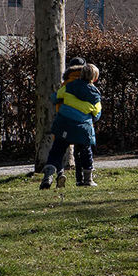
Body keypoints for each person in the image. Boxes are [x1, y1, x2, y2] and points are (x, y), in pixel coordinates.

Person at [40, 63, 102, 189]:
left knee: (57, 151)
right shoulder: (95, 95)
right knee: (86, 152)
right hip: (82, 128)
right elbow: (97, 114)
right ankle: (88, 179)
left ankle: (48, 175)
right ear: (95, 79)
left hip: (63, 124)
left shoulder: (69, 86)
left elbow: (55, 97)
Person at [53, 56, 86, 188]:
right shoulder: (86, 84)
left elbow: (56, 100)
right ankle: (80, 178)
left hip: (64, 121)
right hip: (81, 122)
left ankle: (60, 173)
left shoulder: (65, 85)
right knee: (81, 151)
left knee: (59, 150)